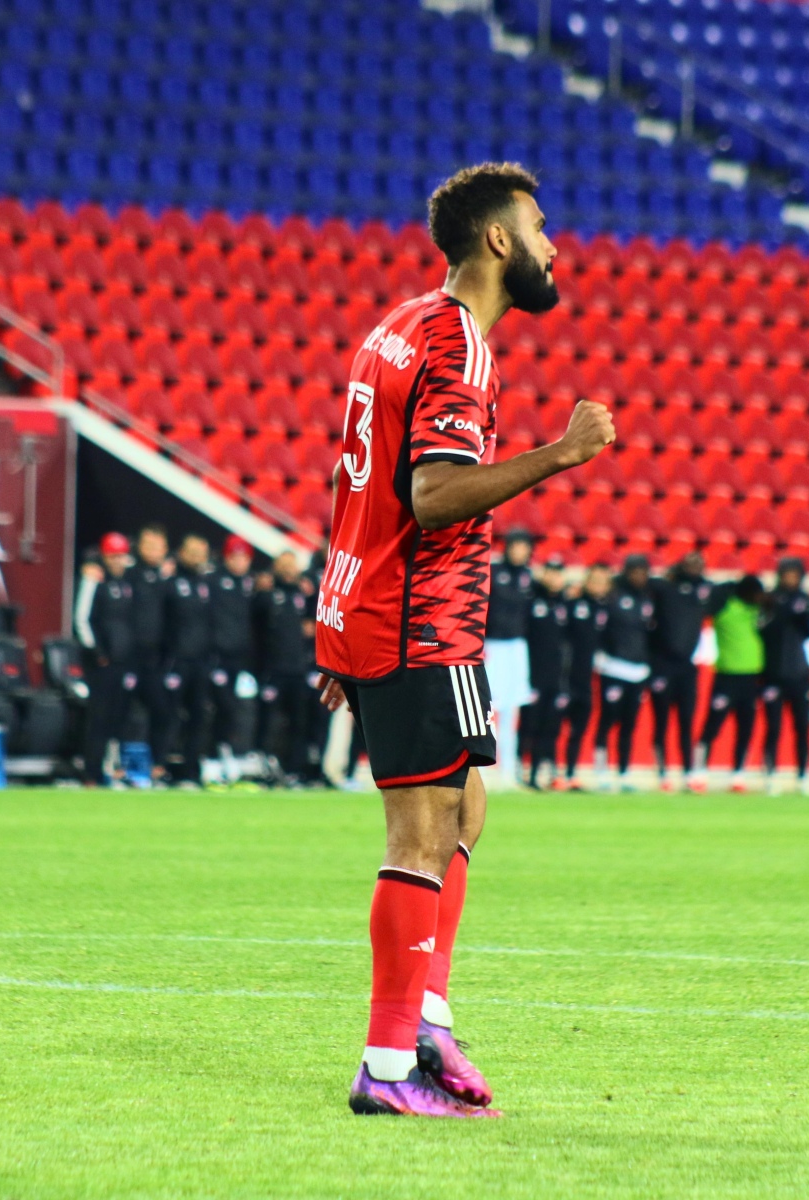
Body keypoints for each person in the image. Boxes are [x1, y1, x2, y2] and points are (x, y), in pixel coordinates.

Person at [311, 162, 613, 1118]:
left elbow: (352, 481)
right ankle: (387, 1065)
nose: (553, 248)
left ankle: (427, 1018)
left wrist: (339, 619)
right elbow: (431, 495)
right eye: (541, 228)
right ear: (498, 239)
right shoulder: (458, 347)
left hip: (393, 612)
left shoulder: (398, 326)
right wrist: (560, 453)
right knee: (422, 833)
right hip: (417, 616)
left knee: (466, 810)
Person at [691, 574, 766, 793]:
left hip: (752, 678)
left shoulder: (758, 611)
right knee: (712, 726)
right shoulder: (725, 607)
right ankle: (699, 772)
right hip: (726, 677)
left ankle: (738, 775)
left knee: (746, 728)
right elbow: (709, 603)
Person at [74, 532, 138, 785]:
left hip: (124, 660)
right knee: (98, 718)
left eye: (121, 556)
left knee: (119, 717)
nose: (117, 561)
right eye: (113, 556)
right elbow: (81, 618)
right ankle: (92, 771)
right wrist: (97, 652)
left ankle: (113, 768)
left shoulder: (127, 582)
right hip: (102, 662)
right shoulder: (94, 579)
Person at [647, 550, 712, 791]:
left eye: (698, 564)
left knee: (686, 721)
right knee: (661, 721)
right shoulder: (665, 589)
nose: (694, 568)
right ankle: (662, 773)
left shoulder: (702, 592)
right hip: (662, 665)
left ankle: (688, 772)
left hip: (686, 667)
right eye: (690, 564)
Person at [254, 550, 318, 786]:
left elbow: (314, 624)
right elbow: (255, 630)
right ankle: (264, 766)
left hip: (298, 671)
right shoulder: (266, 596)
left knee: (299, 723)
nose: (289, 570)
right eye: (284, 565)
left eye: (292, 565)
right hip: (273, 671)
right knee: (268, 721)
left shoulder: (303, 596)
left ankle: (294, 770)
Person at [593, 553, 654, 792]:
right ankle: (601, 772)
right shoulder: (613, 596)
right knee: (608, 720)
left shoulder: (647, 599)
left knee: (629, 724)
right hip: (613, 668)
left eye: (643, 572)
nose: (640, 576)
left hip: (638, 671)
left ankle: (624, 772)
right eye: (635, 571)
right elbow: (602, 629)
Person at [760, 556, 809, 796]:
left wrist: (802, 616)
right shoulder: (769, 599)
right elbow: (763, 630)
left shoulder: (805, 600)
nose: (790, 579)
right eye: (787, 574)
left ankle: (803, 776)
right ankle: (771, 776)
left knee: (802, 727)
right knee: (773, 727)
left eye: (795, 575)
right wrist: (780, 613)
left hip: (799, 673)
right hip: (773, 673)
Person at [481, 528, 535, 788]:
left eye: (525, 547)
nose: (520, 552)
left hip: (517, 647)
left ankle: (508, 771)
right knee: (487, 708)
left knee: (513, 709)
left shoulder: (528, 577)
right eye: (517, 546)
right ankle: (482, 768)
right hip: (493, 645)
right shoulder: (492, 572)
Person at [161, 532, 214, 786]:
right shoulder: (170, 583)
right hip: (176, 661)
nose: (196, 557)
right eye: (192, 552)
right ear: (181, 553)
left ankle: (191, 771)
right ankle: (160, 768)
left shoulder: (206, 584)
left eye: (200, 553)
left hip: (200, 662)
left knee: (198, 717)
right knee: (169, 716)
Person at [207, 535, 258, 785]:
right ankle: (215, 756)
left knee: (239, 710)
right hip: (219, 658)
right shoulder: (214, 581)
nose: (240, 562)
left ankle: (232, 755)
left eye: (244, 557)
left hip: (242, 659)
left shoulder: (250, 585)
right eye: (235, 557)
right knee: (222, 707)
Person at [518, 555, 571, 789]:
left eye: (558, 573)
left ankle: (539, 773)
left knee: (549, 727)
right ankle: (519, 768)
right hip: (532, 675)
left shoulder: (565, 604)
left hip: (555, 677)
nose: (554, 578)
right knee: (529, 724)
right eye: (550, 572)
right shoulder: (531, 600)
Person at [558, 563, 610, 790]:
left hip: (588, 680)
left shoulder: (607, 609)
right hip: (566, 677)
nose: (597, 586)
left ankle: (571, 773)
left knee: (579, 729)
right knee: (554, 726)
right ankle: (551, 770)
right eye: (594, 580)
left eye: (602, 582)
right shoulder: (572, 605)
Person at [129, 524, 173, 786]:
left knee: (162, 712)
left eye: (158, 546)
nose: (154, 551)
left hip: (156, 659)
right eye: (149, 545)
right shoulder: (129, 574)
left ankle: (157, 766)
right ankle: (120, 768)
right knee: (124, 714)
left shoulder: (167, 579)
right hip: (128, 657)